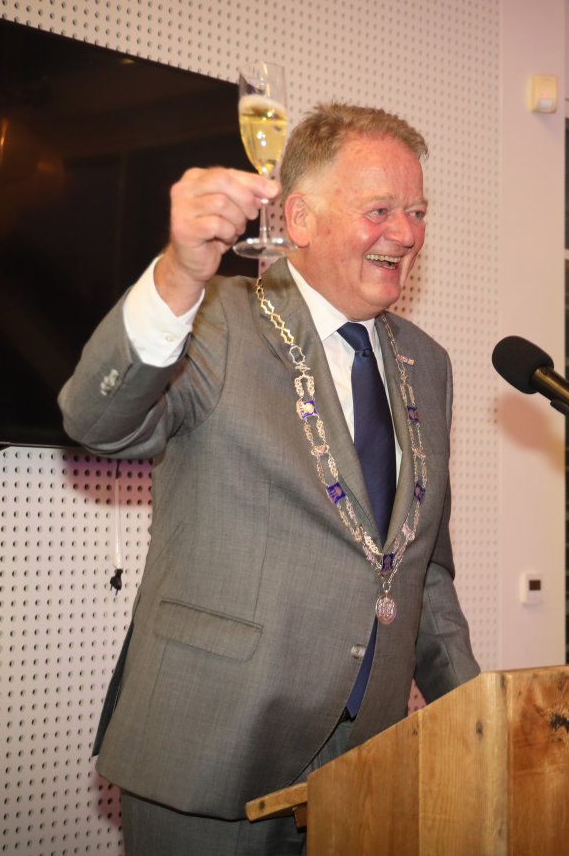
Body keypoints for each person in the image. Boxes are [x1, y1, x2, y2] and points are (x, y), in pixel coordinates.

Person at [59, 102, 480, 854]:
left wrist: (478, 712)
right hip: (211, 754)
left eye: (416, 211)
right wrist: (178, 275)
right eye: (380, 208)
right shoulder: (214, 317)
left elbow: (424, 570)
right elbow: (97, 421)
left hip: (365, 771)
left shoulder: (428, 362)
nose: (409, 232)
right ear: (301, 218)